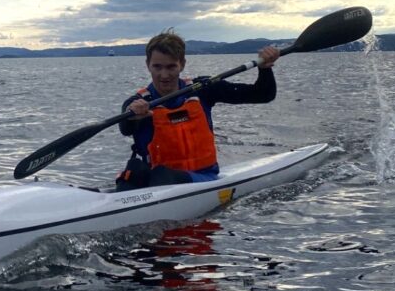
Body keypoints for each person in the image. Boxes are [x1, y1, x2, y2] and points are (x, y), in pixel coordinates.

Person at [116, 30, 279, 191]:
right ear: (148, 65)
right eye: (157, 67)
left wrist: (265, 68)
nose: (164, 75)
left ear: (182, 64)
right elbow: (125, 128)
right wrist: (131, 115)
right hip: (157, 182)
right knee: (133, 171)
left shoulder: (203, 89)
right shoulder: (139, 103)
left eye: (171, 67)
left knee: (161, 174)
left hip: (202, 178)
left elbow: (263, 94)